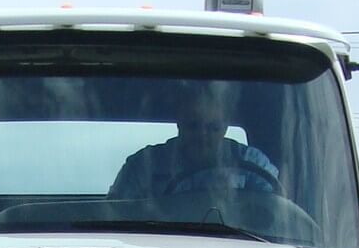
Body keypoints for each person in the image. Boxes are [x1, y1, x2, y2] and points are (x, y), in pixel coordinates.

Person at [109, 85, 279, 199]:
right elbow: (116, 214)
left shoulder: (253, 164)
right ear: (179, 121)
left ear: (226, 126)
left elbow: (275, 214)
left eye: (213, 128)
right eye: (193, 126)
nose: (203, 137)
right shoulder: (144, 165)